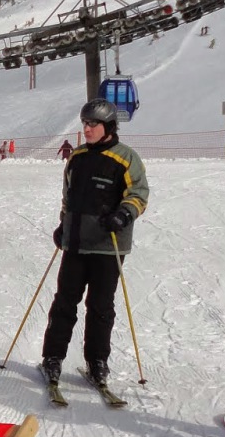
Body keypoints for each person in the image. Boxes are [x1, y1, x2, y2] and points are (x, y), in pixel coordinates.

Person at [39, 99, 149, 390]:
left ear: (108, 127)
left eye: (93, 124)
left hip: (108, 245)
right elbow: (68, 197)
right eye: (85, 123)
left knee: (100, 307)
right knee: (64, 303)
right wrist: (64, 225)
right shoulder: (77, 157)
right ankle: (52, 357)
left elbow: (139, 194)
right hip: (76, 243)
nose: (86, 129)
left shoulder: (126, 158)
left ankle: (97, 361)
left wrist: (123, 214)